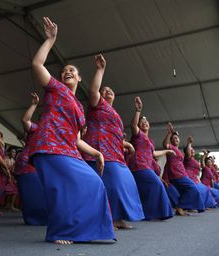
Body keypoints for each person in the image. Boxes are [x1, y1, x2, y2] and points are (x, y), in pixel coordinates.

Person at [29, 17, 115, 244]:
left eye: (72, 71)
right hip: (49, 147)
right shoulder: (55, 88)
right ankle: (60, 232)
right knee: (63, 191)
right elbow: (37, 65)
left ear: (78, 77)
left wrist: (97, 153)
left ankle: (83, 230)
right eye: (64, 70)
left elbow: (76, 139)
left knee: (94, 183)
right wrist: (51, 40)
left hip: (68, 150)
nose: (67, 72)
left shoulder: (79, 107)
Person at [83, 54, 144, 229]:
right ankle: (110, 218)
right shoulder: (98, 104)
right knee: (114, 182)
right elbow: (93, 91)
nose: (108, 92)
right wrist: (100, 69)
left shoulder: (114, 113)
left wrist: (127, 144)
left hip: (116, 152)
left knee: (126, 181)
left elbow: (116, 134)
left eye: (111, 91)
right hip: (99, 149)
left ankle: (117, 217)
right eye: (105, 90)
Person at [129, 97, 174, 220]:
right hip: (139, 165)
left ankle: (148, 213)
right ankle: (158, 213)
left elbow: (153, 154)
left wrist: (167, 151)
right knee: (157, 184)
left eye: (146, 121)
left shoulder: (150, 140)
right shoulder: (138, 135)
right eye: (141, 122)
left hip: (146, 166)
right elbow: (133, 126)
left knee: (150, 188)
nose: (144, 123)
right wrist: (138, 111)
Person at [15, 92, 48, 225]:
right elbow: (25, 121)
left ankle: (39, 218)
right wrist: (34, 104)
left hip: (40, 165)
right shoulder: (37, 128)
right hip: (28, 163)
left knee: (39, 192)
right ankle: (35, 219)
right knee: (32, 193)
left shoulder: (53, 132)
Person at [162, 122, 205, 214]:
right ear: (171, 140)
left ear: (179, 140)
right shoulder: (171, 148)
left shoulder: (179, 152)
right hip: (175, 173)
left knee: (186, 191)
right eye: (173, 138)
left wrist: (188, 143)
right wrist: (169, 133)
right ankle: (180, 207)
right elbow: (165, 144)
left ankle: (183, 207)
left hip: (181, 173)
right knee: (192, 188)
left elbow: (188, 154)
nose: (175, 139)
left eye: (176, 138)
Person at [184, 140, 217, 208]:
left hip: (195, 179)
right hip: (190, 178)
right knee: (203, 190)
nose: (193, 150)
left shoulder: (194, 160)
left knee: (205, 190)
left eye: (193, 149)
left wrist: (205, 155)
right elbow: (203, 161)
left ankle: (204, 205)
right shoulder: (188, 158)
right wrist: (189, 143)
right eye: (191, 149)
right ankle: (193, 206)